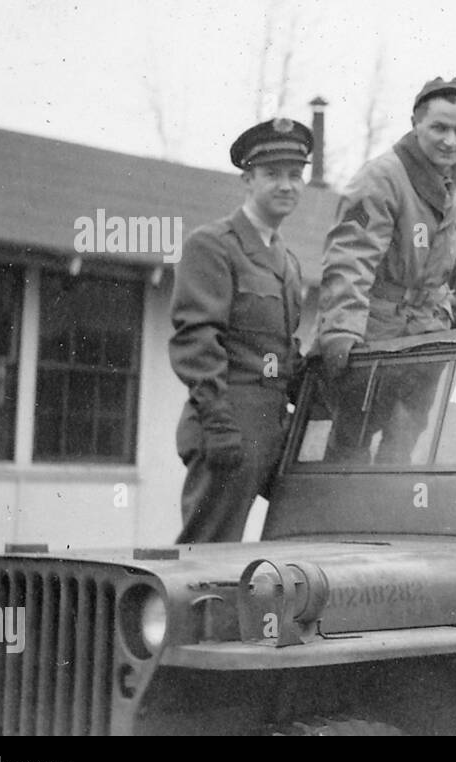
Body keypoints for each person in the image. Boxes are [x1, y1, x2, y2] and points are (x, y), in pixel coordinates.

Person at [316, 77, 456, 463]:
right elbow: (350, 257)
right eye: (439, 128)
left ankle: (390, 516)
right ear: (416, 123)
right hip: (377, 334)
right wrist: (343, 326)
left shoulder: (451, 185)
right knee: (353, 440)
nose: (451, 140)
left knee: (405, 437)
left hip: (427, 333)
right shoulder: (381, 178)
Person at [168, 118, 311, 543]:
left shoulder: (287, 261)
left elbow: (282, 350)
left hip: (274, 426)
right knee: (207, 553)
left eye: (295, 175)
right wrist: (217, 422)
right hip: (228, 419)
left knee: (295, 547)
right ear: (248, 180)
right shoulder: (212, 245)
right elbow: (196, 338)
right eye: (272, 175)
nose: (286, 185)